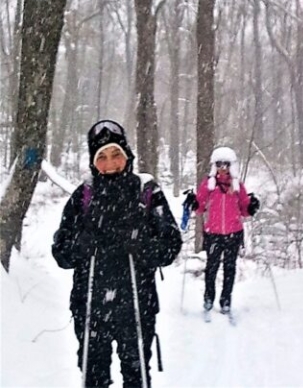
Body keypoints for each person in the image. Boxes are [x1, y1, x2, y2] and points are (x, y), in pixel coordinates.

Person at [52, 120, 182, 388]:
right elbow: (61, 252)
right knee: (94, 378)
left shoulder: (146, 192)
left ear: (127, 156)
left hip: (136, 304)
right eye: (102, 157)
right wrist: (81, 245)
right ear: (93, 161)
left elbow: (171, 245)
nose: (110, 163)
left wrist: (143, 245)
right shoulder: (83, 196)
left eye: (115, 155)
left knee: (136, 377)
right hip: (90, 306)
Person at [185, 146, 259, 314]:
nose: (223, 168)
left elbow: (245, 210)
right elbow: (200, 208)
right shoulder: (209, 185)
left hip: (234, 232)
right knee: (211, 267)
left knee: (229, 267)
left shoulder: (237, 185)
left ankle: (226, 300)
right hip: (213, 233)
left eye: (226, 164)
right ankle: (209, 298)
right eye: (219, 164)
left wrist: (252, 205)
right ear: (215, 165)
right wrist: (193, 202)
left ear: (231, 165)